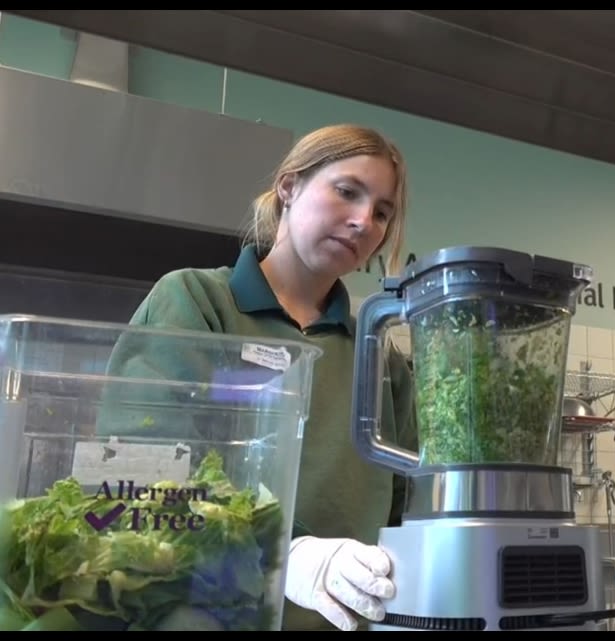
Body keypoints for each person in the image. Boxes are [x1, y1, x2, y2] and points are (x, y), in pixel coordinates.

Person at [114, 123, 418, 631]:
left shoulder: (379, 355)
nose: (365, 221)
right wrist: (282, 550)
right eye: (347, 192)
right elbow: (145, 469)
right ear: (289, 186)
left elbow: (409, 506)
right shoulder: (197, 303)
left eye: (383, 212)